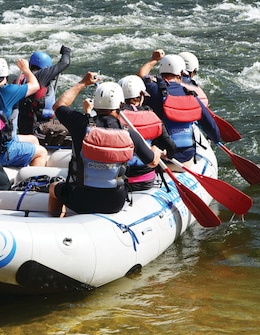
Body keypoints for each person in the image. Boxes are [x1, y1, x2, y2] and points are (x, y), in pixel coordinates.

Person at [48, 72, 162, 217]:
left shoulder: (80, 124)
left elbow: (59, 105)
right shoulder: (129, 133)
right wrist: (155, 150)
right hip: (115, 202)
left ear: (94, 103)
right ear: (121, 104)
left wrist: (82, 83)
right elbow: (152, 162)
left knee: (53, 188)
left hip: (81, 199)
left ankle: (56, 220)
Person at [138, 51, 220, 170]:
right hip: (185, 160)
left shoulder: (151, 89)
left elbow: (140, 75)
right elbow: (211, 127)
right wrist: (216, 139)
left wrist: (154, 60)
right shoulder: (190, 94)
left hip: (158, 160)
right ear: (181, 73)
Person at [0, 57, 48, 167]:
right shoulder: (9, 91)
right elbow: (35, 86)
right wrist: (25, 69)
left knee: (33, 139)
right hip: (1, 151)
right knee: (42, 152)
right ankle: (34, 182)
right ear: (6, 76)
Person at [117, 75, 176, 190]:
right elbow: (171, 148)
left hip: (118, 182)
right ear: (140, 96)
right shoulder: (150, 115)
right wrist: (160, 153)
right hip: (145, 181)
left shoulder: (112, 118)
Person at [16, 45, 72, 135]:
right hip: (40, 127)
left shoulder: (23, 78)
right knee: (75, 127)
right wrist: (66, 51)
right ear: (46, 67)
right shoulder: (41, 75)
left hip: (25, 126)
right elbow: (65, 63)